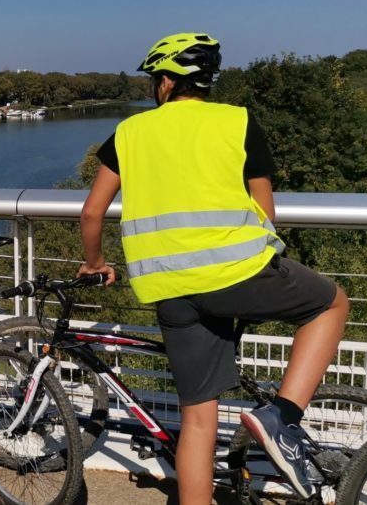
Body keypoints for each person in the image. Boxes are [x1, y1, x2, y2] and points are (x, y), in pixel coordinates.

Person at [77, 33, 348, 504]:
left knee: (198, 419)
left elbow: (91, 213)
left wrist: (96, 263)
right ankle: (280, 416)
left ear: (164, 83)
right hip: (238, 272)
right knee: (331, 303)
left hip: (168, 286)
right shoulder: (237, 121)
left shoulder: (129, 132)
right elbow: (266, 209)